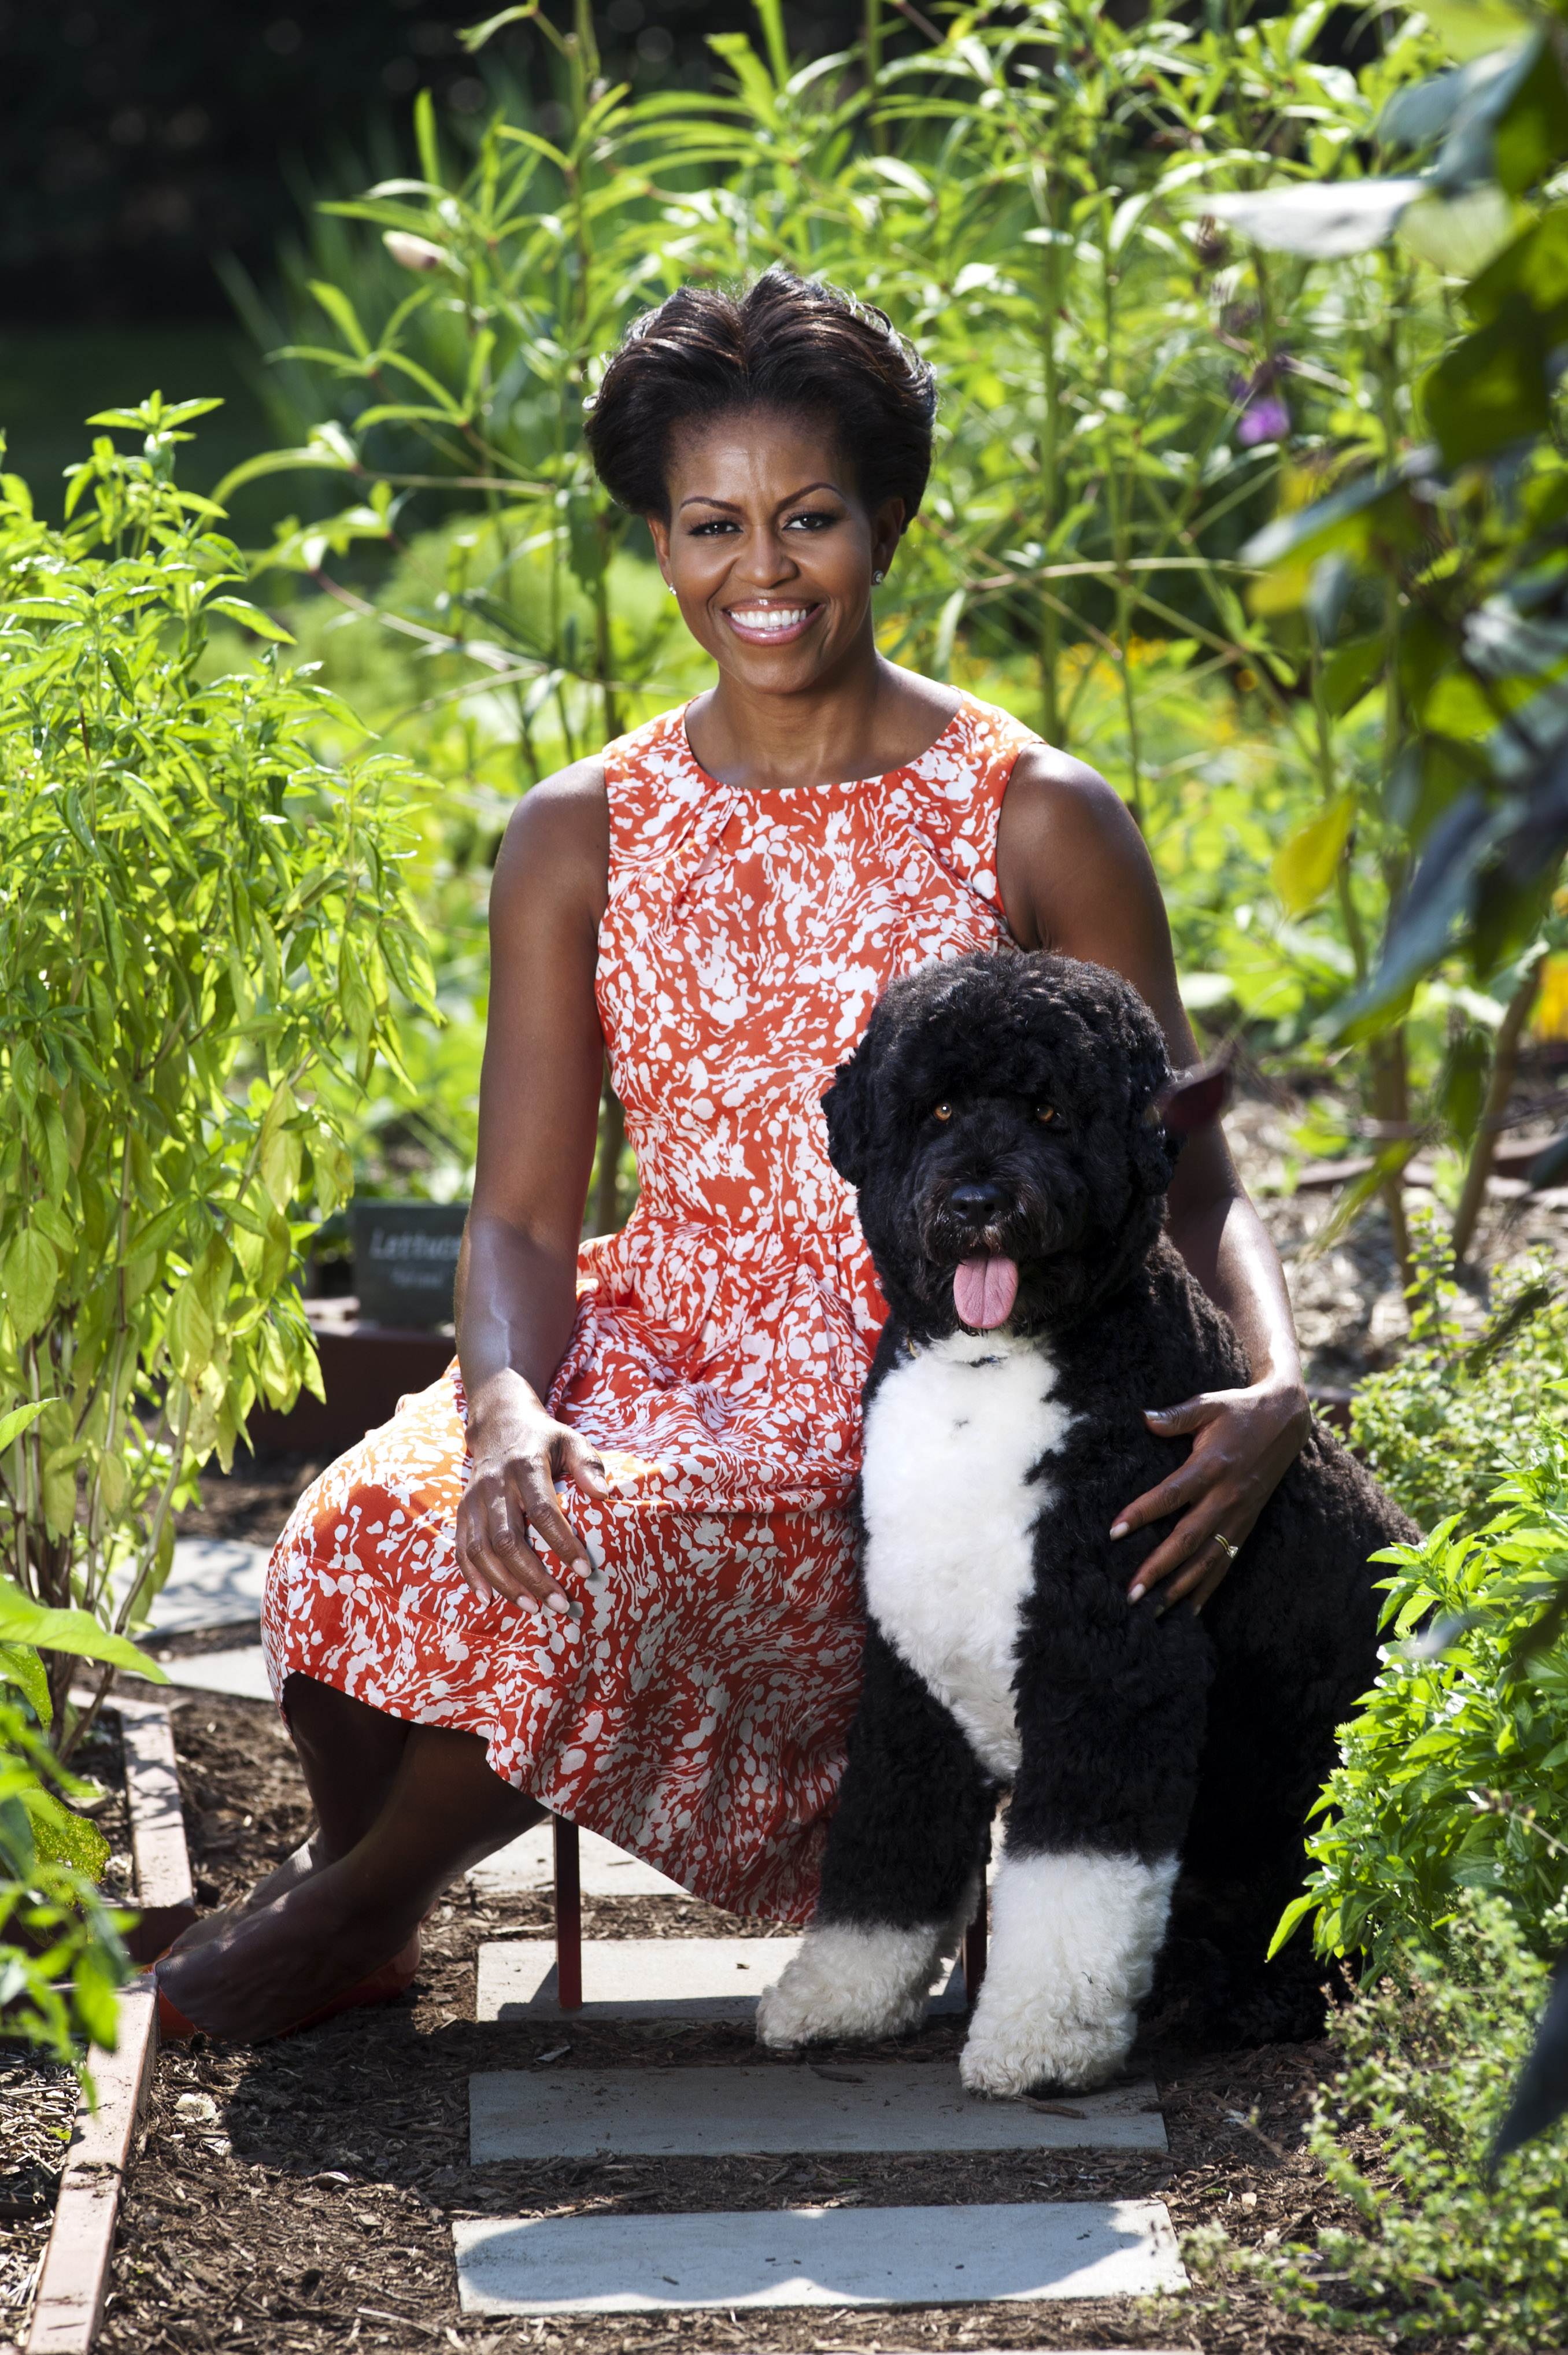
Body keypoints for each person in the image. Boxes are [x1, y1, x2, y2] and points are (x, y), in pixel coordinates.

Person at [151, 267, 1311, 2043]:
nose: (759, 574)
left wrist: (1279, 1382)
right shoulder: (580, 830)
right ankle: (357, 1891)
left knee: (587, 1569)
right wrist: (508, 1402)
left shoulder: (1038, 812)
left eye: (808, 518)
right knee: (348, 1532)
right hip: (652, 1350)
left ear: (888, 520)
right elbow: (527, 1211)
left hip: (927, 1396)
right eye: (712, 526)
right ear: (656, 535)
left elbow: (1193, 1168)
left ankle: (341, 1915)